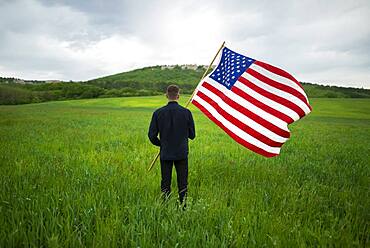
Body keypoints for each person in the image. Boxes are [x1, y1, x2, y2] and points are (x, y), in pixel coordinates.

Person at [148, 85, 195, 207]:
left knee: (165, 181)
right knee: (183, 181)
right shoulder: (186, 113)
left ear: (166, 95)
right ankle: (183, 206)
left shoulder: (158, 113)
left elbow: (151, 136)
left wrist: (161, 144)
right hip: (181, 153)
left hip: (166, 152)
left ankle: (165, 205)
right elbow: (192, 135)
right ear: (178, 96)